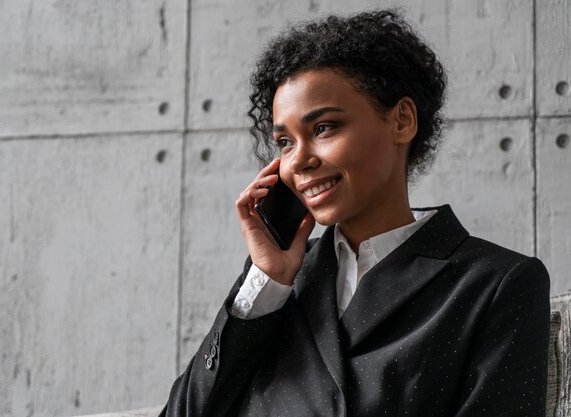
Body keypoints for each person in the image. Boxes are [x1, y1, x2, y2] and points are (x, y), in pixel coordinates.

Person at [160, 10, 550, 416]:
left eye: (324, 128)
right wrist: (267, 282)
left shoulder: (496, 283)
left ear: (402, 120)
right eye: (284, 142)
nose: (298, 162)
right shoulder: (275, 283)